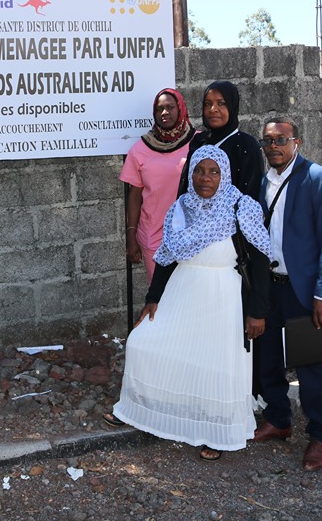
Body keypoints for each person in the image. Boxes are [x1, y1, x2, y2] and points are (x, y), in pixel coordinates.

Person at [106, 145, 271, 461]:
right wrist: (152, 299)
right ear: (190, 173)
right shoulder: (180, 208)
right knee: (143, 342)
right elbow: (167, 257)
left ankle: (218, 433)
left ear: (224, 175)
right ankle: (140, 411)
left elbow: (261, 260)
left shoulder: (241, 207)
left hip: (224, 293)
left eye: (213, 171)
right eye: (199, 170)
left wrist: (257, 311)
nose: (205, 178)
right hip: (183, 290)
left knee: (219, 364)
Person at [251, 116, 322, 471]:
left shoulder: (318, 178)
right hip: (270, 286)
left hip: (305, 291)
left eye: (281, 139)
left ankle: (320, 436)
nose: (273, 146)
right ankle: (279, 419)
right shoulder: (261, 182)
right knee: (268, 361)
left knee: (312, 368)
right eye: (267, 141)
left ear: (297, 142)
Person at [120, 87, 195, 282]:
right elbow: (135, 196)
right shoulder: (140, 149)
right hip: (154, 238)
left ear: (180, 109)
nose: (164, 113)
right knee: (159, 300)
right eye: (159, 109)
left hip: (193, 236)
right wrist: (131, 237)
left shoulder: (199, 142)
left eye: (170, 107)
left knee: (189, 300)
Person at [178, 80, 264, 201]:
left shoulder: (246, 145)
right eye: (208, 104)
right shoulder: (199, 141)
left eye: (221, 103)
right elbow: (186, 188)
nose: (213, 109)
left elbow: (251, 193)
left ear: (232, 106)